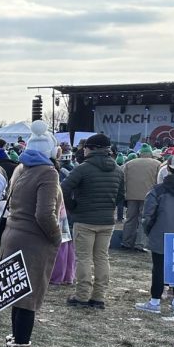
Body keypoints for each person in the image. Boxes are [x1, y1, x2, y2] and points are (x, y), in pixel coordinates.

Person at [0, 121, 61, 347]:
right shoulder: (48, 172)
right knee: (28, 300)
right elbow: (45, 214)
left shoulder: (21, 168)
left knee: (18, 295)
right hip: (33, 241)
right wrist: (57, 237)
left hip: (13, 235)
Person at [61, 132, 125, 310]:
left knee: (83, 258)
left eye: (86, 147)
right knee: (102, 258)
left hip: (85, 219)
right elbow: (121, 196)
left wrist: (73, 206)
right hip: (107, 221)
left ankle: (82, 296)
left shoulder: (83, 168)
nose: (84, 150)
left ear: (93, 149)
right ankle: (99, 297)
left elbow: (64, 188)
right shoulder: (118, 169)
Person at [136, 153, 174, 316]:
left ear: (168, 168)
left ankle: (155, 302)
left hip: (161, 235)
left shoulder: (157, 190)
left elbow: (147, 215)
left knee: (158, 269)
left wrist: (150, 231)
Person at [121, 145, 161, 251]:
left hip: (131, 196)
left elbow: (123, 180)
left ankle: (126, 242)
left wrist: (124, 194)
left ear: (140, 153)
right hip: (148, 196)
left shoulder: (129, 164)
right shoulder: (157, 164)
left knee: (130, 219)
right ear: (150, 154)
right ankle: (140, 244)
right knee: (143, 220)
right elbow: (159, 181)